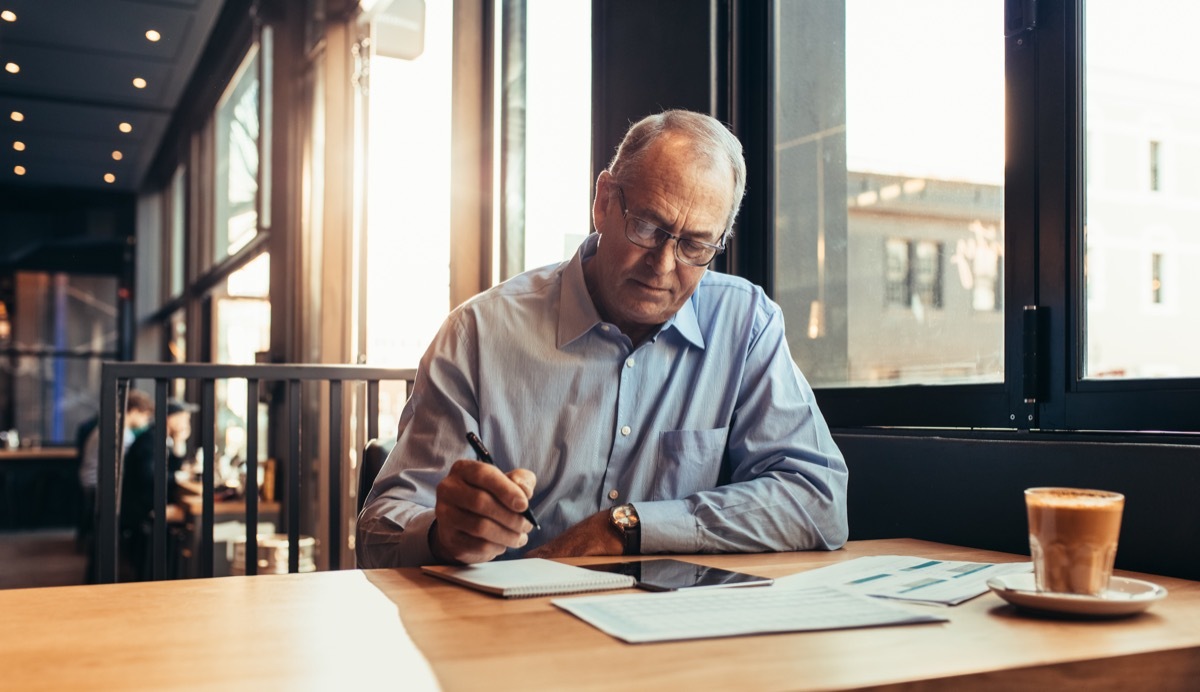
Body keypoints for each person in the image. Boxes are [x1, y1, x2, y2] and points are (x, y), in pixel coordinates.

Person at [357, 109, 848, 568]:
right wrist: (445, 534)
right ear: (603, 202)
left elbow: (818, 501)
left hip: (672, 634)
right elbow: (378, 531)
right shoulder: (478, 333)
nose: (663, 266)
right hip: (510, 633)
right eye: (648, 227)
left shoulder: (745, 324)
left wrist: (626, 527)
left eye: (695, 245)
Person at [119, 398, 197, 580]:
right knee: (188, 520)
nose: (187, 422)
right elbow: (149, 476)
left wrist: (178, 442)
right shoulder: (150, 440)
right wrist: (177, 477)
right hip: (141, 507)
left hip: (145, 500)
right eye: (184, 417)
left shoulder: (158, 437)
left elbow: (171, 469)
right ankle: (164, 573)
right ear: (170, 418)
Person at [78, 389, 153, 577]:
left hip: (92, 484)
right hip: (100, 487)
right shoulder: (120, 432)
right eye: (145, 416)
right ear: (134, 411)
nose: (145, 422)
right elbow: (131, 465)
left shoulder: (109, 426)